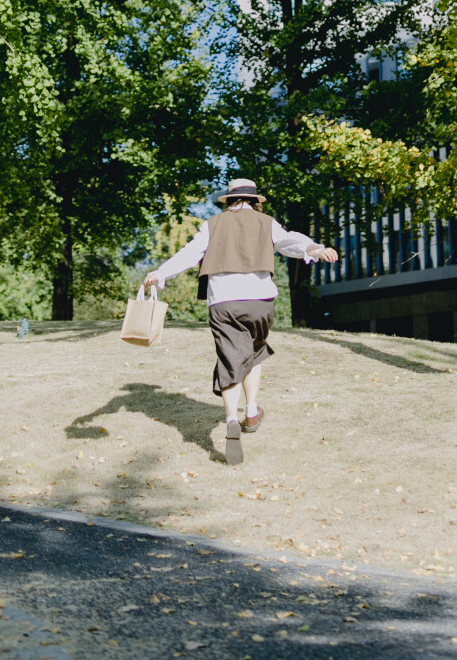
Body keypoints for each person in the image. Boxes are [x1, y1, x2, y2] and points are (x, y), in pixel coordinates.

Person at [144, 178, 338, 466]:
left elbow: (189, 254)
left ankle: (232, 417)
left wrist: (161, 274)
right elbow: (288, 241)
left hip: (223, 301)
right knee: (254, 352)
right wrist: (314, 249)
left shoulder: (211, 225)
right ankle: (251, 411)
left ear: (229, 201)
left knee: (230, 357)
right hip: (260, 301)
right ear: (254, 200)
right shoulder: (266, 222)